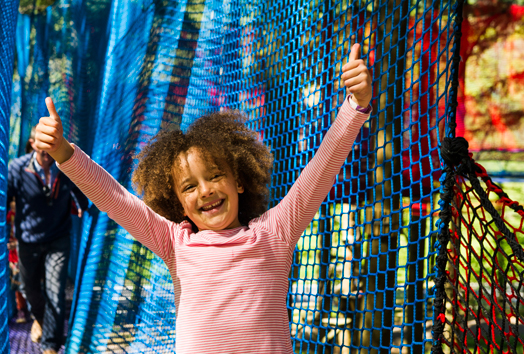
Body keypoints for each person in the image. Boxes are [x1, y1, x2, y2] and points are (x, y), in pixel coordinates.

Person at [34, 43, 372, 353]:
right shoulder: (174, 243)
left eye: (214, 176)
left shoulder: (274, 234)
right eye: (190, 186)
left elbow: (321, 170)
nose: (206, 190)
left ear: (239, 181)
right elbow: (114, 198)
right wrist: (64, 153)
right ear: (179, 203)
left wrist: (355, 105)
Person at [7, 127, 89, 354]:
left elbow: (78, 189)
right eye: (44, 149)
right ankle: (40, 319)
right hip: (28, 240)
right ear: (33, 144)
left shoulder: (64, 167)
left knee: (55, 290)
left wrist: (83, 206)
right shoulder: (17, 168)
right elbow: (6, 199)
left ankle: (51, 345)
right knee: (29, 289)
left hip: (58, 238)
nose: (49, 155)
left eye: (53, 149)